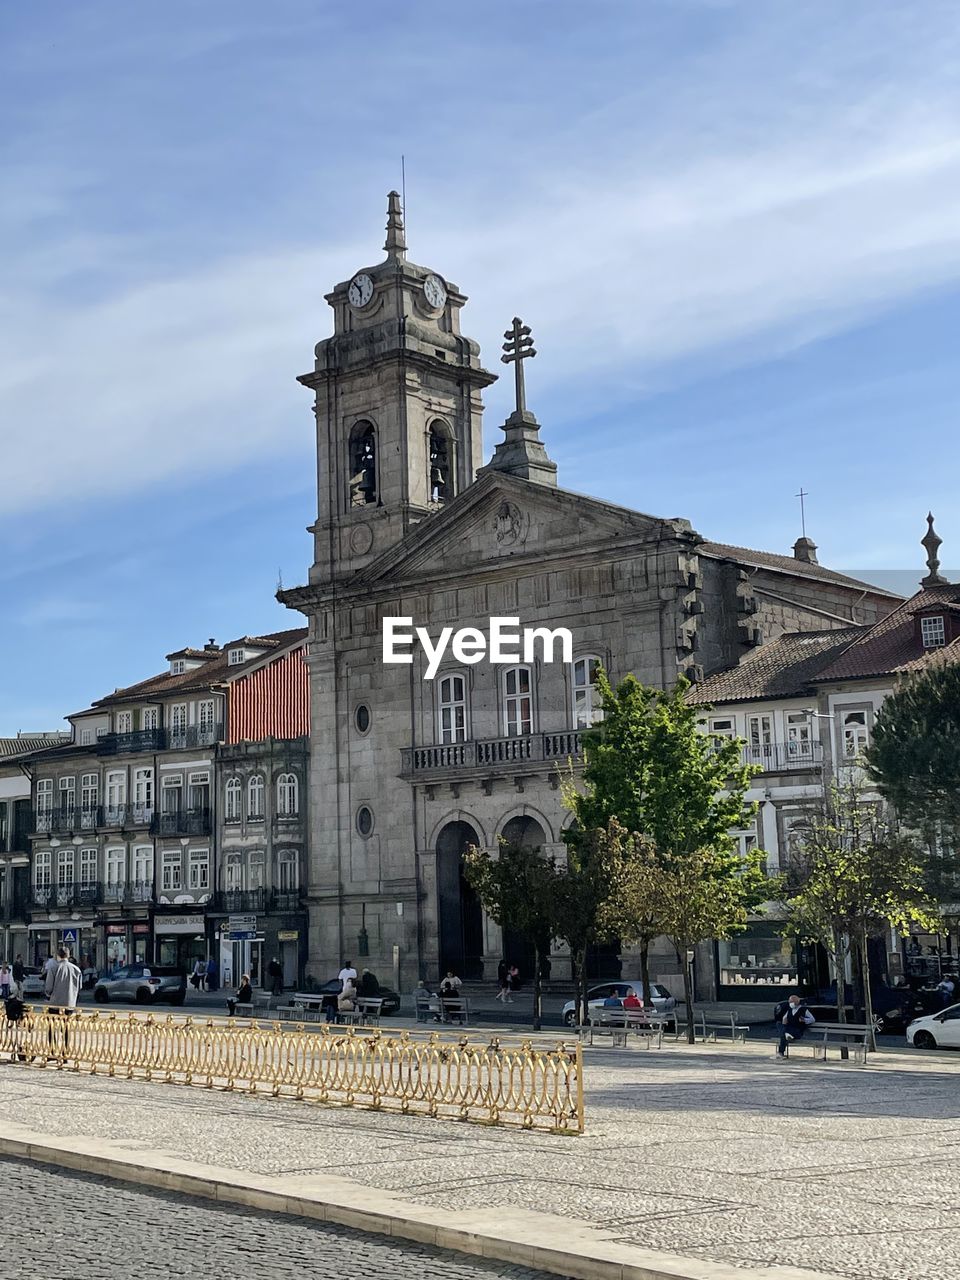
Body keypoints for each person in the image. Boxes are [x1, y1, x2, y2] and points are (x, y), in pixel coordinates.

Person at [45, 946, 82, 1059]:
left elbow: (48, 987)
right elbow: (79, 987)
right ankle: (65, 1053)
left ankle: (52, 1052)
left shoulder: (54, 968)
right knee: (65, 1028)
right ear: (68, 955)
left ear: (58, 955)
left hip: (55, 1003)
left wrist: (48, 995)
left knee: (52, 1027)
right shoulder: (76, 969)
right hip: (69, 1003)